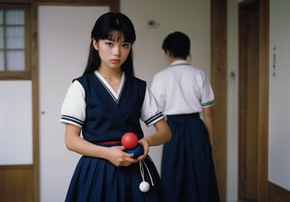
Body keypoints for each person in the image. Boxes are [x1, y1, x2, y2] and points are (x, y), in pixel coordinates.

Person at [60, 12, 171, 202]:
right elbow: (71, 140)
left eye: (125, 45)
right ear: (95, 43)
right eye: (109, 43)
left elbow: (165, 132)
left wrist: (147, 141)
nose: (117, 52)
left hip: (137, 171)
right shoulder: (81, 87)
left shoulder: (139, 88)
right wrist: (108, 153)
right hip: (97, 172)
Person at [150, 31, 220, 202]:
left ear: (168, 52)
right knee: (201, 176)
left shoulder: (161, 77)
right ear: (188, 51)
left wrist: (161, 132)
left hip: (171, 128)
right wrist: (210, 140)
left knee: (173, 176)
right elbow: (208, 111)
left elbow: (154, 113)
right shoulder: (199, 74)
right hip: (196, 127)